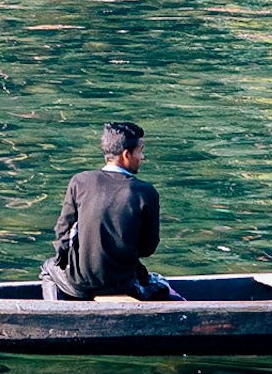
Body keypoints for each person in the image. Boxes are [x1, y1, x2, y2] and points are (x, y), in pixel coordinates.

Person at [40, 121, 183, 301]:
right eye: (140, 151)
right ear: (126, 154)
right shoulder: (146, 192)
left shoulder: (79, 182)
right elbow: (148, 248)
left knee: (48, 268)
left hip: (80, 283)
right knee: (158, 283)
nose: (143, 157)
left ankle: (55, 312)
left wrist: (69, 258)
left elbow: (62, 231)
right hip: (123, 283)